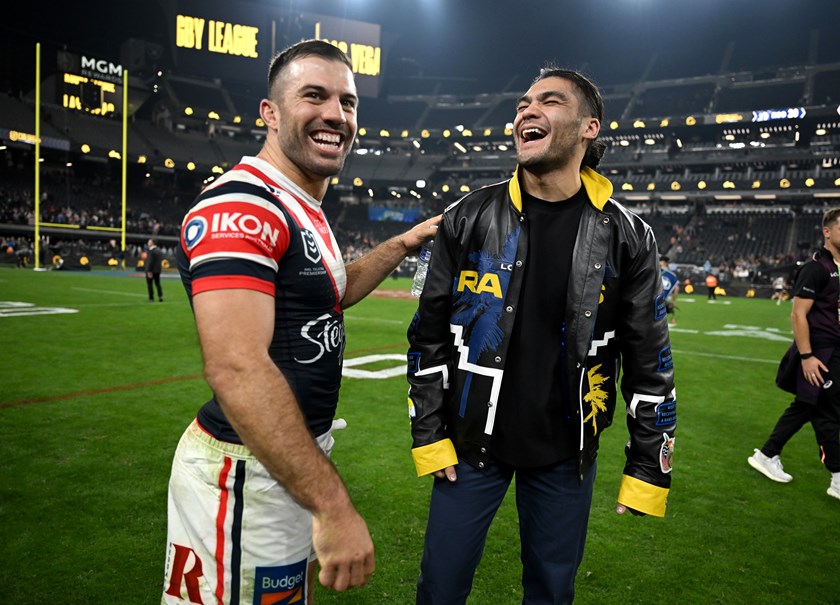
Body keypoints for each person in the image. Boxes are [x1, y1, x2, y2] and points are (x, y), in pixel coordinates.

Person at [162, 39, 440, 604]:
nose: (337, 114)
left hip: (277, 467)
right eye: (314, 95)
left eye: (348, 101)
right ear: (270, 112)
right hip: (244, 473)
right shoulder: (241, 204)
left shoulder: (299, 203)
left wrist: (403, 244)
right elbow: (237, 367)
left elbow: (330, 294)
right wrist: (333, 506)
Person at [406, 66, 676, 605]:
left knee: (553, 593)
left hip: (565, 453)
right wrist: (429, 436)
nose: (526, 111)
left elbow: (650, 359)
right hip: (467, 444)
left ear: (589, 127)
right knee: (439, 589)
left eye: (548, 101)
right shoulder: (468, 215)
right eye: (522, 103)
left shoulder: (628, 235)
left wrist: (649, 466)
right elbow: (428, 335)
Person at [748, 208, 840, 502]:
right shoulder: (816, 267)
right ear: (827, 231)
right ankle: (838, 477)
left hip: (833, 349)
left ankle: (766, 454)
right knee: (827, 410)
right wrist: (807, 356)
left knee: (807, 406)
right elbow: (798, 314)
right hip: (819, 351)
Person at [660, 255, 680, 324]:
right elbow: (677, 288)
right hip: (662, 301)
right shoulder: (672, 275)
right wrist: (673, 301)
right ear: (667, 263)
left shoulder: (653, 272)